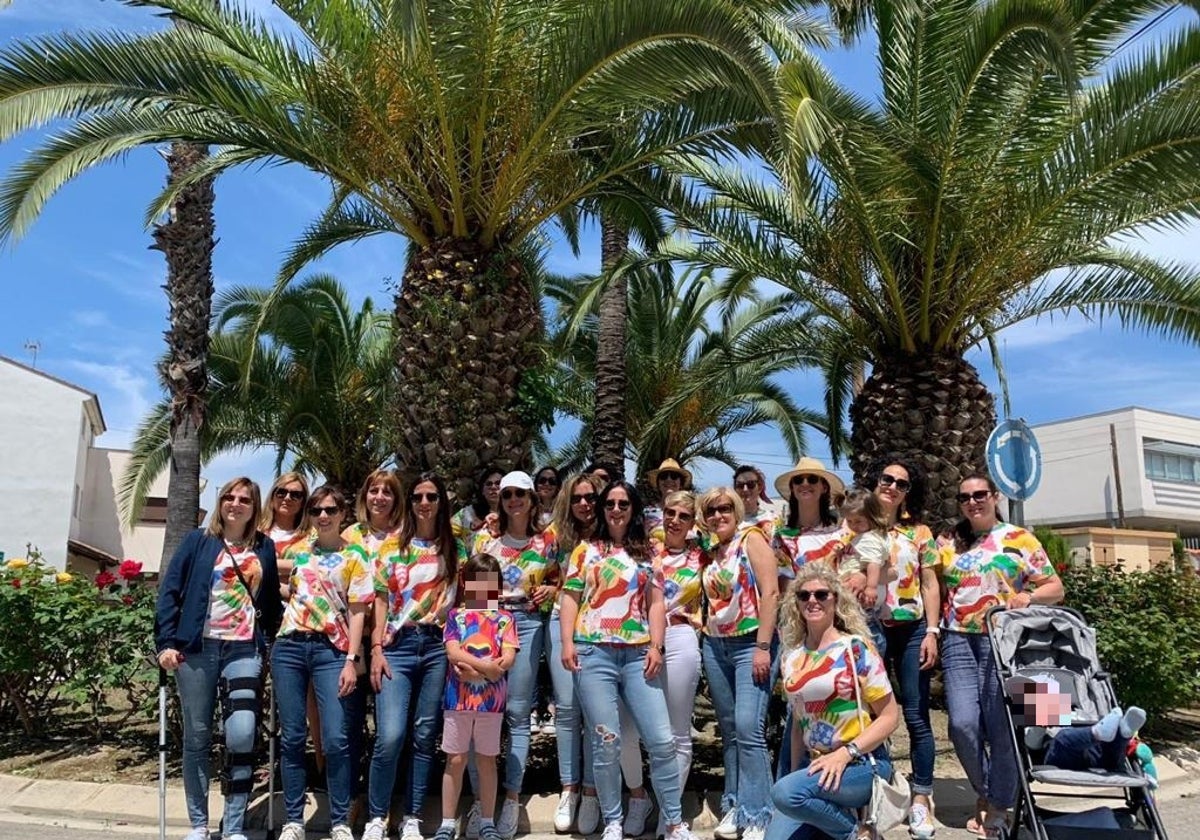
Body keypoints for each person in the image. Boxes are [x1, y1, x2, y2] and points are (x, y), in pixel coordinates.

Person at [560, 480, 698, 840]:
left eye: (624, 504)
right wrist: (566, 643)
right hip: (593, 653)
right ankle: (613, 821)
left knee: (661, 740)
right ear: (603, 509)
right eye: (610, 504)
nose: (617, 510)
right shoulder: (585, 551)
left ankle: (674, 821)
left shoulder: (648, 551)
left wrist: (657, 646)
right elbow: (571, 599)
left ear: (634, 509)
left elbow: (656, 602)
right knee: (606, 742)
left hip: (638, 654)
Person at [154, 477, 282, 840]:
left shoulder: (264, 547)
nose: (235, 503)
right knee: (196, 736)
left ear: (254, 507)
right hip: (197, 649)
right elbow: (170, 593)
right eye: (229, 496)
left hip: (244, 649)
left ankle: (235, 826)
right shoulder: (199, 541)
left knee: (242, 735)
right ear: (221, 502)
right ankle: (198, 824)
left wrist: (272, 640)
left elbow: (270, 601)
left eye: (244, 499)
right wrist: (165, 643)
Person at [939, 474, 1064, 839]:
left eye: (980, 494)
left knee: (1003, 726)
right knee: (961, 724)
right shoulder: (948, 539)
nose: (972, 501)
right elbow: (931, 585)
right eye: (965, 497)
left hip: (1006, 641)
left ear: (994, 497)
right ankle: (986, 791)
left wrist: (1028, 597)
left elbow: (1055, 587)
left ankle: (998, 804)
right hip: (958, 639)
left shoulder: (1019, 538)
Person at [766, 564, 900, 840]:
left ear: (836, 600)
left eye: (821, 594)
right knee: (781, 819)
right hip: (816, 766)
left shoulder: (855, 649)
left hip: (860, 763)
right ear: (796, 604)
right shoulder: (791, 658)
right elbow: (798, 725)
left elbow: (889, 717)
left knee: (783, 793)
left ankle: (856, 834)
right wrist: (796, 776)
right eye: (804, 596)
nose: (812, 600)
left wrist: (845, 753)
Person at [272, 485, 374, 840]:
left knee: (335, 739)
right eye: (316, 510)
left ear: (343, 513)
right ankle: (294, 821)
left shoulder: (356, 557)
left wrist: (351, 659)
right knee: (293, 737)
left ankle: (340, 820)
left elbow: (360, 612)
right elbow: (282, 578)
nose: (323, 516)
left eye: (330, 509)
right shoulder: (299, 551)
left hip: (333, 651)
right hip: (289, 648)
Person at [365, 473, 462, 840]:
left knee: (424, 735)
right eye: (418, 497)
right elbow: (380, 601)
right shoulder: (392, 548)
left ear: (441, 502)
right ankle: (377, 815)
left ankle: (413, 817)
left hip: (438, 647)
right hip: (397, 646)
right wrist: (375, 648)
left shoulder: (456, 548)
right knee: (390, 735)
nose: (424, 503)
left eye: (432, 497)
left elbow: (472, 594)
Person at [470, 471, 558, 838]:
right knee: (480, 714)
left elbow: (559, 578)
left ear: (532, 498)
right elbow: (473, 591)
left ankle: (510, 798)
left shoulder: (548, 541)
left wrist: (550, 589)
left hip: (528, 624)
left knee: (518, 713)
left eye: (520, 494)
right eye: (507, 494)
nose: (513, 500)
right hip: (489, 624)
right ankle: (481, 801)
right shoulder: (484, 540)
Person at [617, 490, 707, 837]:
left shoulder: (703, 556)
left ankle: (669, 817)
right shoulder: (640, 549)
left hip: (681, 636)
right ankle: (639, 798)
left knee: (677, 735)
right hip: (638, 640)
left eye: (684, 516)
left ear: (693, 523)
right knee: (626, 731)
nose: (675, 520)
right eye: (670, 513)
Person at [865, 456, 941, 839]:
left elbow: (929, 583)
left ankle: (921, 800)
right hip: (869, 631)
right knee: (868, 716)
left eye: (902, 483)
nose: (892, 486)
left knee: (915, 714)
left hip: (911, 631)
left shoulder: (920, 533)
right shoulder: (857, 526)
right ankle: (876, 798)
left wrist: (932, 631)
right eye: (887, 478)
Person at [698, 486, 780, 840]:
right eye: (712, 510)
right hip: (716, 645)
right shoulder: (713, 552)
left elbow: (771, 592)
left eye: (724, 508)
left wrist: (763, 646)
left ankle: (761, 811)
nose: (719, 515)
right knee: (730, 730)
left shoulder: (752, 539)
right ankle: (735, 803)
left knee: (749, 728)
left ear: (736, 510)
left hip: (751, 643)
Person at [432, 554, 520, 840]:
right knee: (455, 760)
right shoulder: (456, 616)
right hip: (457, 700)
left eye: (489, 583)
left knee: (486, 760)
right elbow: (453, 652)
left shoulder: (505, 619)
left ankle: (487, 822)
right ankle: (447, 823)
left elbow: (508, 656)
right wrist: (486, 671)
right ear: (466, 583)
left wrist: (486, 672)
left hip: (490, 705)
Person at [544, 473, 604, 834]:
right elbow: (537, 571)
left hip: (599, 629)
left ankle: (592, 790)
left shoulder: (612, 535)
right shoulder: (556, 537)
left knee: (596, 711)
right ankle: (569, 788)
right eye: (578, 497)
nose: (584, 503)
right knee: (567, 709)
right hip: (560, 624)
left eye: (590, 497)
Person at [1008, 674, 1147, 773]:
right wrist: (1040, 724)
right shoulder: (1029, 726)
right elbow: (1032, 743)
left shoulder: (1072, 713)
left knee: (1110, 747)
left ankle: (1124, 733)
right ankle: (1102, 733)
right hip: (1059, 757)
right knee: (1064, 737)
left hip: (1097, 756)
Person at [772, 457, 851, 590]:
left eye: (812, 479)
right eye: (798, 480)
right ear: (792, 488)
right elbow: (781, 584)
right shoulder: (781, 538)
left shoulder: (842, 534)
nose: (805, 484)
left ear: (824, 487)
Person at [838, 489, 889, 654]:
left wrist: (870, 587)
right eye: (850, 521)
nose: (854, 525)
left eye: (858, 521)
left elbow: (873, 564)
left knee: (868, 639)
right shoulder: (864, 537)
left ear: (872, 517)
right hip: (856, 601)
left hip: (863, 601)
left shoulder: (869, 539)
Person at [262, 472, 310, 597]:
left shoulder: (312, 536)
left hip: (295, 610)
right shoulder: (255, 531)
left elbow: (313, 568)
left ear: (303, 502)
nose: (287, 498)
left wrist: (264, 564)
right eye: (281, 492)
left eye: (295, 495)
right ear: (272, 496)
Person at [453, 466, 504, 545]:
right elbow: (446, 534)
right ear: (482, 491)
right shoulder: (467, 514)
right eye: (488, 484)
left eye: (498, 483)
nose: (493, 487)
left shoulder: (516, 515)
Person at [643, 458, 692, 539]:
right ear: (658, 483)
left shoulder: (691, 511)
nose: (669, 479)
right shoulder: (646, 513)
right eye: (663, 476)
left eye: (674, 476)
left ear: (681, 483)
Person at [733, 465, 778, 541]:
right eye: (740, 485)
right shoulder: (727, 521)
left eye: (751, 484)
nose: (745, 489)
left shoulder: (773, 520)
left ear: (759, 488)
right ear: (735, 489)